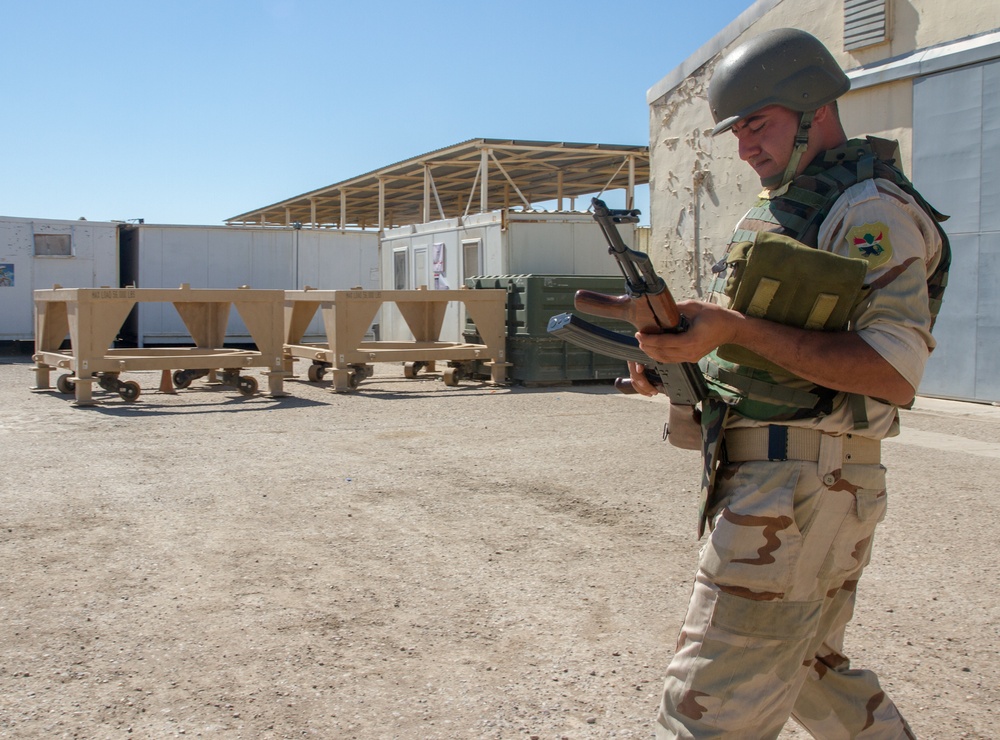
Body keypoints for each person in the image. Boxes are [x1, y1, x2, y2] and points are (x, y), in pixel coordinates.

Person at [629, 28, 949, 738]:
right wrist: (682, 363)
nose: (744, 147)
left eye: (759, 125)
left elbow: (893, 370)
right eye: (737, 131)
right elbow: (765, 354)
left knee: (705, 709)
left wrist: (734, 330)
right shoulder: (784, 209)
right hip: (785, 483)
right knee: (807, 669)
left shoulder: (871, 211)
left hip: (798, 489)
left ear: (816, 110)